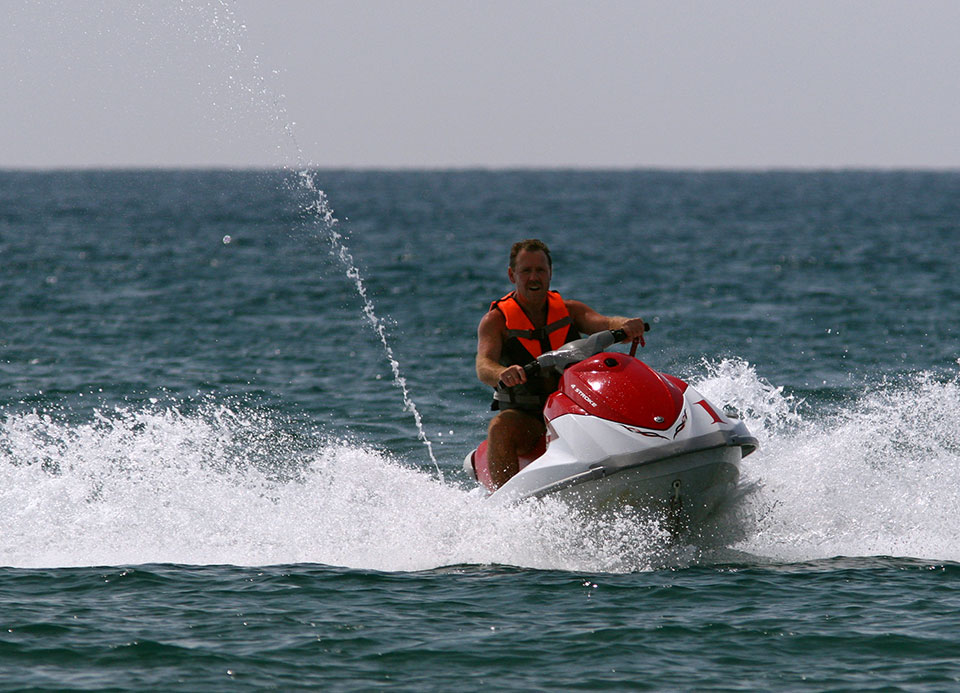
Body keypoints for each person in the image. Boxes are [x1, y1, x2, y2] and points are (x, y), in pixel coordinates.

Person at [475, 239, 647, 489]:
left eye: (540, 270)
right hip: (528, 417)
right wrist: (502, 372)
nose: (534, 277)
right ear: (512, 275)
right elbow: (483, 364)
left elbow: (605, 323)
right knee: (499, 428)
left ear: (550, 273)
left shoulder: (570, 311)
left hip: (575, 408)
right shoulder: (496, 321)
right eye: (526, 271)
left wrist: (625, 325)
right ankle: (508, 508)